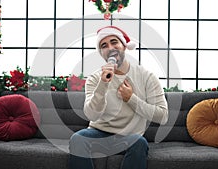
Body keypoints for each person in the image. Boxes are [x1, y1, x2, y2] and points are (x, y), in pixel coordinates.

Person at [69, 25, 168, 169]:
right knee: (78, 139)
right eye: (104, 45)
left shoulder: (146, 77)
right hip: (99, 132)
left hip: (131, 136)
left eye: (114, 42)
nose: (110, 47)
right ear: (101, 53)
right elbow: (91, 114)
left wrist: (131, 99)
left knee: (139, 143)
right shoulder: (95, 79)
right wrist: (103, 84)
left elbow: (163, 116)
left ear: (124, 46)